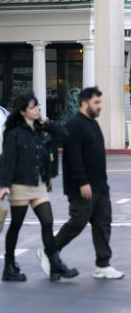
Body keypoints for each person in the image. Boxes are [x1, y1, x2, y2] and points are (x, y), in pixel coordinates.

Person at [37, 87, 124, 280]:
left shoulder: (92, 123)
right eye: (96, 103)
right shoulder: (74, 125)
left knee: (102, 224)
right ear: (84, 103)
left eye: (100, 102)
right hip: (82, 186)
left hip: (100, 186)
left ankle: (103, 265)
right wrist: (83, 183)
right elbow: (73, 158)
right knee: (77, 222)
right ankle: (49, 251)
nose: (99, 106)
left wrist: (102, 184)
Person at [0, 92, 78, 282]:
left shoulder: (40, 130)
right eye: (33, 107)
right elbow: (9, 160)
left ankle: (55, 265)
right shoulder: (14, 133)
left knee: (48, 222)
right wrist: (4, 185)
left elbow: (64, 135)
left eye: (37, 107)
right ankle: (9, 266)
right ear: (23, 111)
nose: (37, 110)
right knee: (16, 225)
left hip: (38, 183)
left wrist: (45, 121)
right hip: (19, 185)